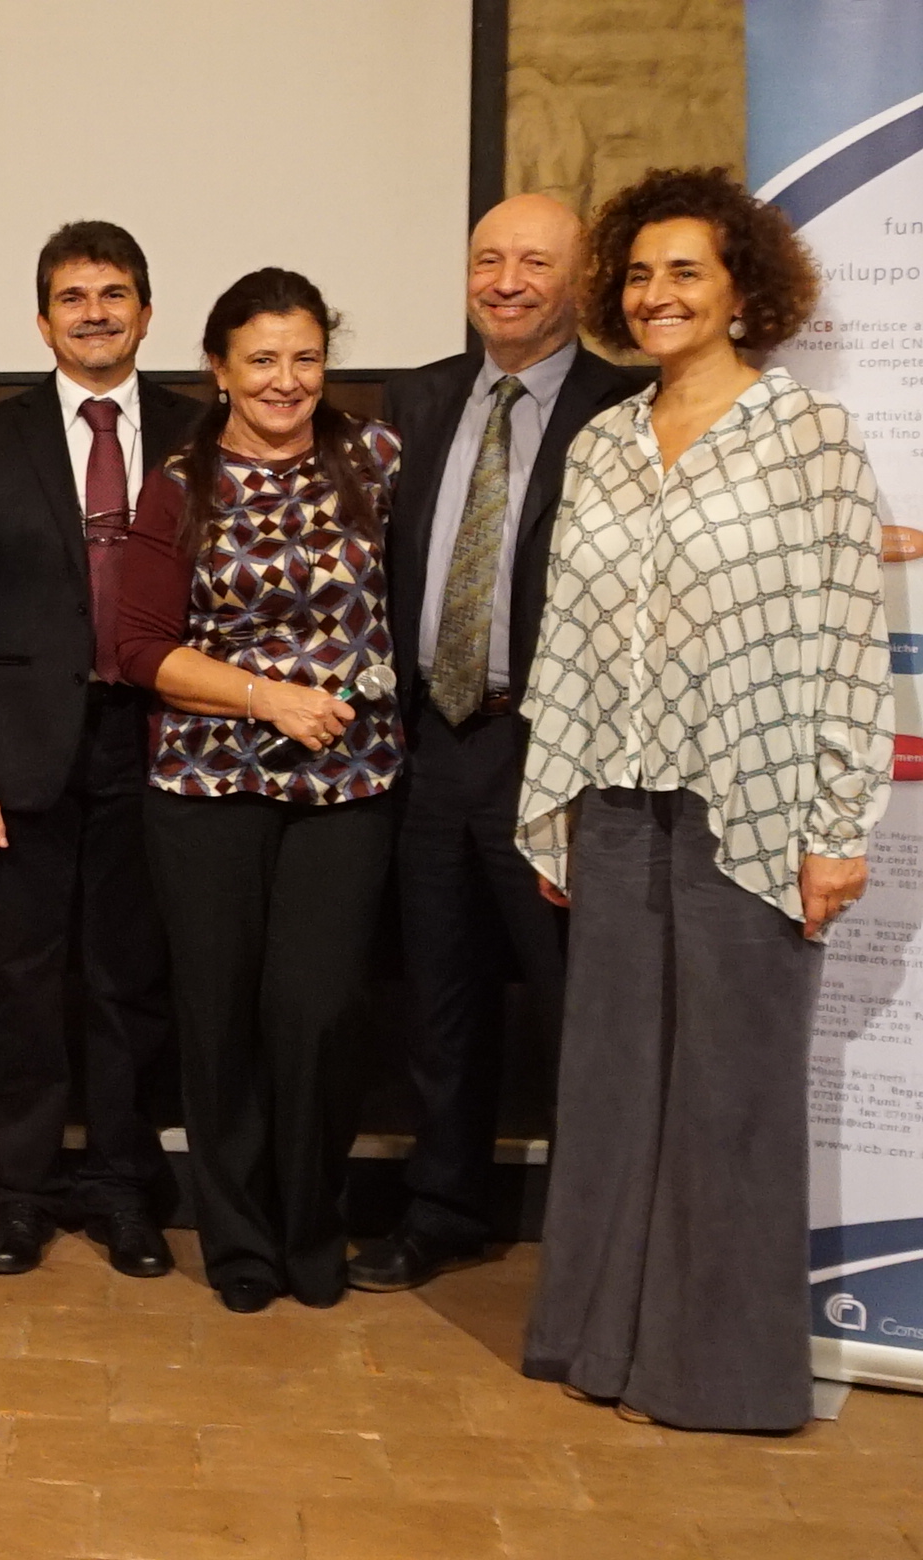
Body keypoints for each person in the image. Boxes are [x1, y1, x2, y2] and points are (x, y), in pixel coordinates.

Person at [516, 168, 887, 1433]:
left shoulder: (808, 439)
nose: (657, 295)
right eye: (638, 274)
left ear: (742, 289)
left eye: (685, 272)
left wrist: (835, 830)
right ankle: (597, 1342)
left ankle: (718, 1375)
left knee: (731, 1093)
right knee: (613, 1083)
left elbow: (846, 636)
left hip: (755, 808)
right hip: (614, 806)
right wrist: (550, 801)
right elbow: (566, 632)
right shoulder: (601, 443)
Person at [351, 195, 639, 1295]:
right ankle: (442, 1210)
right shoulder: (417, 399)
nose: (504, 280)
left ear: (578, 281)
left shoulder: (627, 404)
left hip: (554, 751)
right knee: (439, 997)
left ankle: (596, 1241)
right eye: (486, 258)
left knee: (575, 1002)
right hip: (431, 739)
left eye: (532, 261)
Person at [109, 268, 403, 1314]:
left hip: (349, 787)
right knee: (221, 1020)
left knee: (315, 1016)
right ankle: (237, 1240)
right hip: (202, 787)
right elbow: (137, 648)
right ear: (218, 369)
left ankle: (308, 1224)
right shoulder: (177, 481)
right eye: (262, 360)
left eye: (305, 358)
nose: (286, 381)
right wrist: (265, 698)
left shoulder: (375, 459)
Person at [0, 221, 201, 1282]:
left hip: (158, 744)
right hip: (19, 751)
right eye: (72, 296)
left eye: (114, 293)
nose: (94, 311)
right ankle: (23, 1195)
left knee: (130, 984)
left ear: (145, 309)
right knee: (21, 983)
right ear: (40, 318)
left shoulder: (197, 431)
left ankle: (124, 1193)